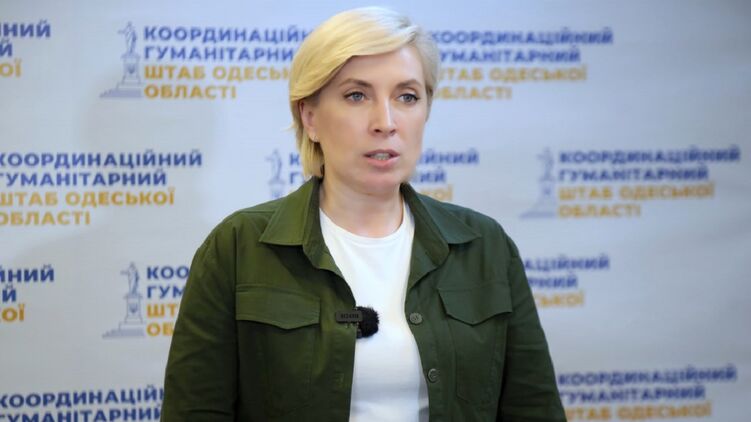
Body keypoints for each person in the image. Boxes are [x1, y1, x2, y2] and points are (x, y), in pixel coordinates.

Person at [161, 7, 566, 422]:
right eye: (357, 95)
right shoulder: (237, 247)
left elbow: (534, 410)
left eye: (407, 97)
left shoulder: (485, 246)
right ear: (310, 117)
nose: (385, 123)